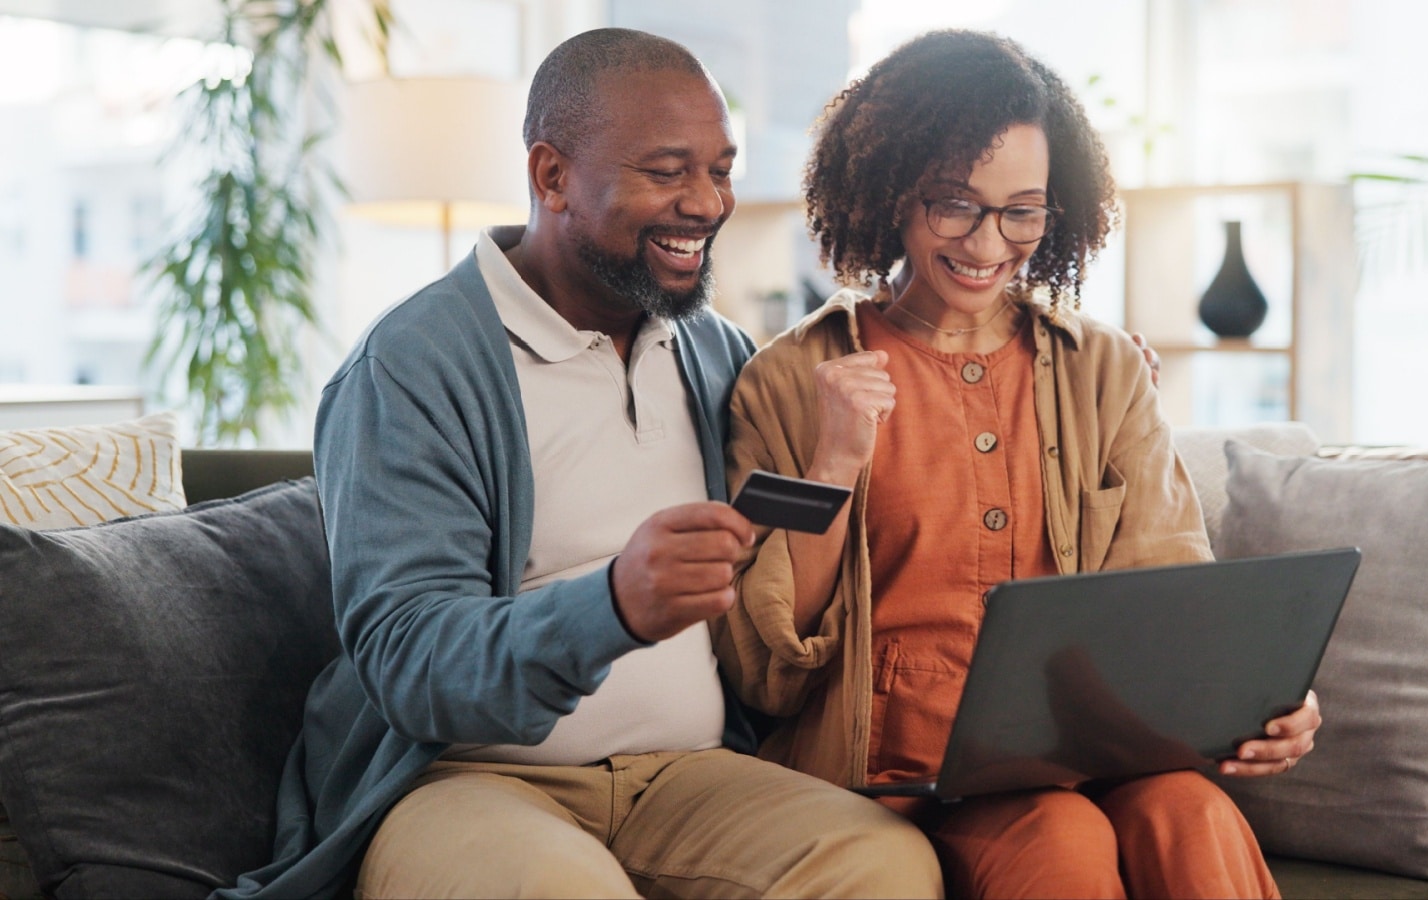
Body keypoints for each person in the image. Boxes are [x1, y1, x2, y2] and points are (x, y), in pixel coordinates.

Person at [218, 27, 943, 900]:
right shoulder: (413, 367)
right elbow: (408, 659)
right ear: (552, 175)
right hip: (467, 780)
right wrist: (613, 606)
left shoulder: (717, 352)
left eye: (720, 168)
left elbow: (780, 579)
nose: (708, 203)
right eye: (667, 171)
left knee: (885, 863)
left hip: (685, 775)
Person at [712, 29, 1319, 900]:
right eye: (954, 204)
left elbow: (1172, 595)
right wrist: (834, 459)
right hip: (899, 773)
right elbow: (768, 669)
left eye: (1022, 210)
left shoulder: (1103, 368)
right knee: (1058, 834)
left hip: (1093, 747)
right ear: (891, 194)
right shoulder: (791, 380)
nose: (989, 242)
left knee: (1192, 812)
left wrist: (1265, 702)